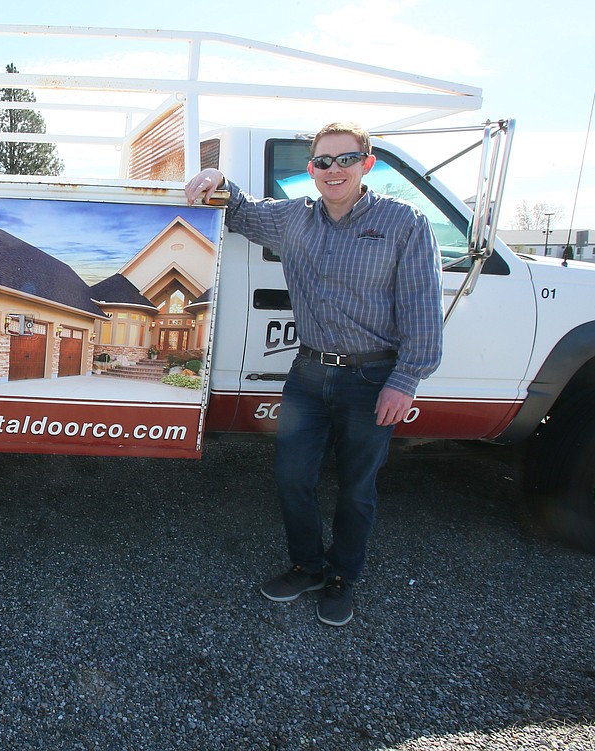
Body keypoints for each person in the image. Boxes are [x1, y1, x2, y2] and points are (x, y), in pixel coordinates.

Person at [185, 122, 443, 626]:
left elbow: (422, 310)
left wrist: (406, 379)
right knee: (291, 477)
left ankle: (343, 577)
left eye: (345, 159)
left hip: (373, 377)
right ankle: (307, 565)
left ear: (368, 164)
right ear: (311, 170)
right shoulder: (294, 218)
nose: (333, 170)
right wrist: (217, 176)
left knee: (356, 487)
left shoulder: (405, 223)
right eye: (323, 161)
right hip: (308, 372)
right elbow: (239, 210)